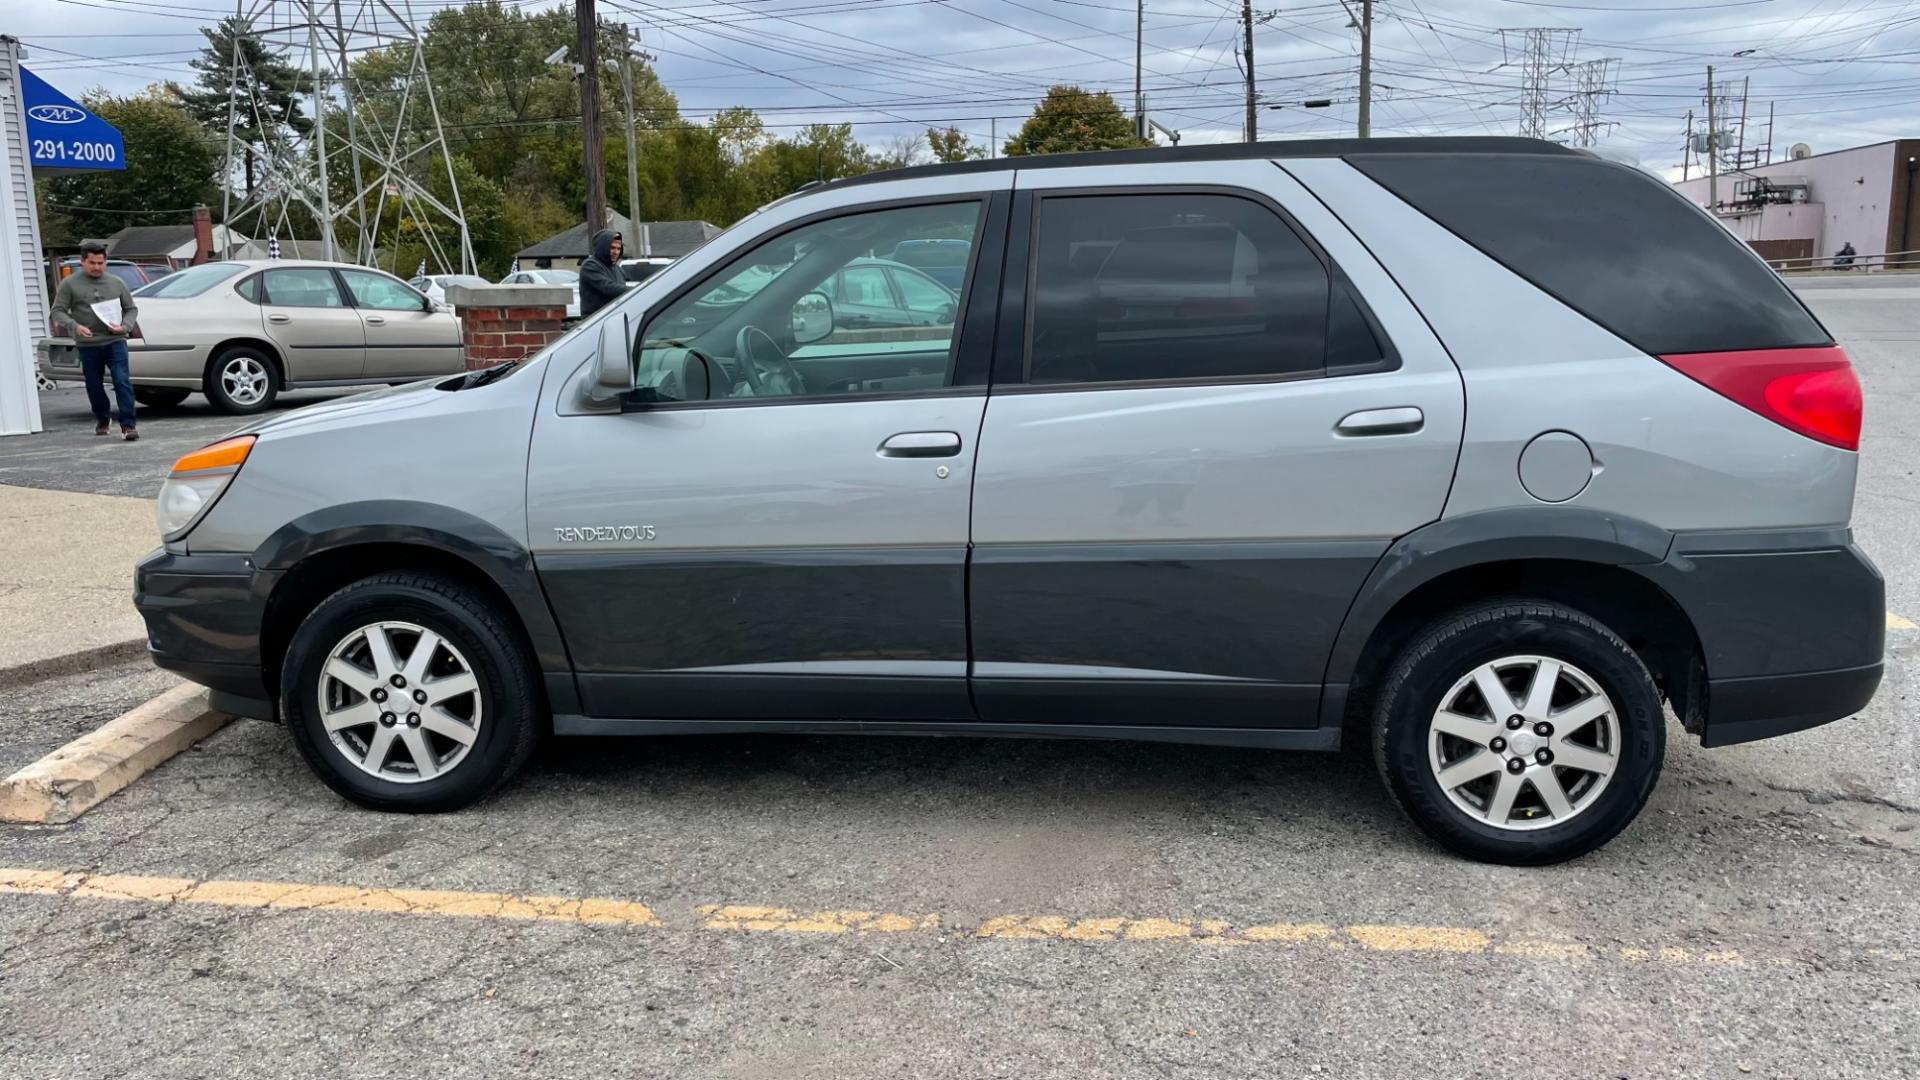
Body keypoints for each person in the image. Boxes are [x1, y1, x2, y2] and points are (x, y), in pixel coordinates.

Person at [51, 242, 140, 441]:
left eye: (101, 263)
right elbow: (57, 311)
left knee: (121, 380)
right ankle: (102, 417)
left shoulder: (117, 283)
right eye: (92, 263)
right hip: (88, 344)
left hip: (115, 340)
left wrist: (124, 327)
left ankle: (128, 425)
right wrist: (75, 326)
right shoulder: (70, 284)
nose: (97, 267)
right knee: (94, 384)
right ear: (82, 262)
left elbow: (131, 309)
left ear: (105, 262)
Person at [578, 228, 626, 320]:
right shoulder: (590, 265)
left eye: (618, 248)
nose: (616, 252)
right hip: (594, 321)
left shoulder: (617, 269)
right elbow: (608, 287)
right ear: (602, 247)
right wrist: (636, 290)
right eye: (612, 248)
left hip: (614, 318)